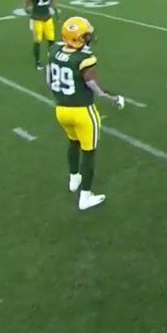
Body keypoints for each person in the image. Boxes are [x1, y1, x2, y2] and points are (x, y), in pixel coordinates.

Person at [46, 17, 126, 211]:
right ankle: (86, 197)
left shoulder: (55, 50)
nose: (89, 38)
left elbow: (49, 79)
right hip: (82, 111)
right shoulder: (84, 59)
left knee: (73, 142)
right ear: (76, 38)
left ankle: (74, 178)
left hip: (61, 109)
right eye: (86, 35)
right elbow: (94, 86)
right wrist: (113, 98)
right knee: (89, 153)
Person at [25, 0, 58, 70]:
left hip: (47, 16)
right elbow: (27, 1)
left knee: (51, 39)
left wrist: (55, 9)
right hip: (36, 18)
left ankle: (52, 59)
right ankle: (37, 62)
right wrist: (26, 9)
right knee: (37, 41)